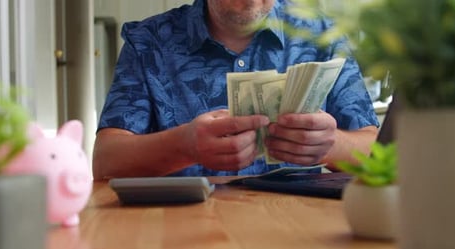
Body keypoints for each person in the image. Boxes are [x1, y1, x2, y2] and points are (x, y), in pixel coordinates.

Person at [93, 0, 379, 180]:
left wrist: (332, 145)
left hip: (295, 236)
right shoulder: (148, 42)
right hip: (179, 239)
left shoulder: (322, 37)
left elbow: (377, 154)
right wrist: (184, 145)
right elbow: (106, 161)